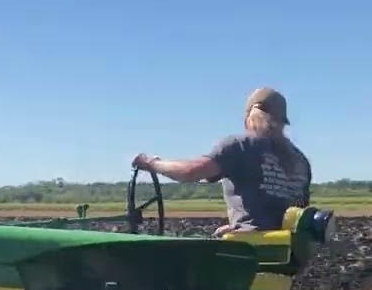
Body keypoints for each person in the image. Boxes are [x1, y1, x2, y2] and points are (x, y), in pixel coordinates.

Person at [132, 87, 312, 236]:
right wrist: (240, 225)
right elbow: (296, 213)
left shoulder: (241, 146)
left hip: (254, 249)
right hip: (286, 252)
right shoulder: (301, 161)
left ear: (251, 115)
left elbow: (190, 172)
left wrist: (151, 163)